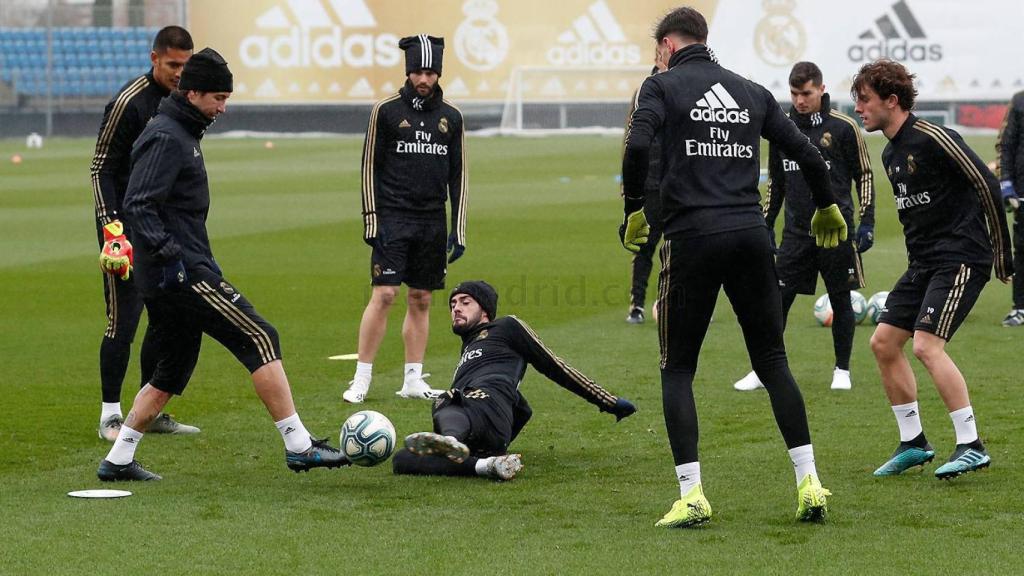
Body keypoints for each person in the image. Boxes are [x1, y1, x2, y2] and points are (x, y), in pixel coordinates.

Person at [619, 7, 844, 527]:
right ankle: (809, 481)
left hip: (691, 237)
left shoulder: (662, 86)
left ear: (667, 47)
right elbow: (809, 154)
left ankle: (692, 494)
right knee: (772, 360)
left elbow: (636, 145)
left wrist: (633, 207)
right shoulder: (750, 91)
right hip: (749, 236)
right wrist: (828, 203)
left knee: (677, 369)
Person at [97, 48, 346, 481]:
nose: (223, 108)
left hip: (172, 271)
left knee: (170, 370)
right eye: (218, 98)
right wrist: (172, 257)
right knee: (261, 336)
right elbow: (138, 205)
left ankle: (117, 459)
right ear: (192, 93)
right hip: (182, 273)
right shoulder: (167, 135)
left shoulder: (180, 129)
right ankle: (299, 445)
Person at [852, 60, 1012, 480]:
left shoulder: (935, 137)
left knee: (925, 346)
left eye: (864, 100)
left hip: (961, 258)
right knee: (883, 343)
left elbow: (986, 183)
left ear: (891, 100)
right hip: (924, 264)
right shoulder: (890, 153)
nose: (859, 109)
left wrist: (1002, 253)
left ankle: (971, 444)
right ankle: (914, 442)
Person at [393, 281, 636, 480]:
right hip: (483, 427)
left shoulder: (506, 327)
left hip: (484, 405)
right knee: (402, 459)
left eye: (466, 302)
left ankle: (451, 441)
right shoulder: (469, 346)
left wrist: (608, 401)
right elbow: (523, 410)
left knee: (449, 396)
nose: (456, 308)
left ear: (485, 310)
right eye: (453, 304)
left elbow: (555, 366)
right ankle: (484, 465)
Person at [734, 61, 875, 392]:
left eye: (806, 93)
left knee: (841, 299)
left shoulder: (843, 127)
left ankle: (842, 370)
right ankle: (762, 370)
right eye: (795, 93)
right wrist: (765, 223)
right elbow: (776, 184)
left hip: (835, 231)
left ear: (821, 90)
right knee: (776, 301)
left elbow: (864, 174)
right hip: (795, 234)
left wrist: (867, 220)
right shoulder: (781, 130)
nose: (800, 100)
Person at [343, 34, 468, 404]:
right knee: (383, 295)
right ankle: (361, 378)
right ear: (407, 71)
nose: (424, 79)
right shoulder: (386, 111)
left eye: (430, 72)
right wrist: (371, 219)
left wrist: (457, 228)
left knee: (422, 298)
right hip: (393, 218)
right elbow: (369, 167)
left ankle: (413, 378)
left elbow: (459, 176)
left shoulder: (452, 117)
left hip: (432, 221)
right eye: (417, 71)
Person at [91, 25, 199, 441]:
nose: (179, 73)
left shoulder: (185, 101)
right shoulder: (128, 102)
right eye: (173, 64)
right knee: (124, 317)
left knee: (165, 317)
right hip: (123, 225)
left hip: (163, 224)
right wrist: (110, 227)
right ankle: (109, 416)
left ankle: (146, 412)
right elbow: (101, 167)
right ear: (154, 59)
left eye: (186, 65)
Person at [624, 55, 668, 325]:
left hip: (680, 182)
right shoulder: (644, 90)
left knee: (686, 248)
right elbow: (630, 139)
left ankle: (689, 303)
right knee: (644, 247)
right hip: (650, 182)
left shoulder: (683, 87)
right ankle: (637, 305)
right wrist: (627, 185)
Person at [996, 90, 1024, 326]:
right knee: (1022, 250)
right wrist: (1006, 183)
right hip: (1022, 193)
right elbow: (1006, 144)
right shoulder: (1019, 100)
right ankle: (1020, 308)